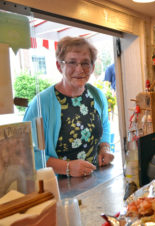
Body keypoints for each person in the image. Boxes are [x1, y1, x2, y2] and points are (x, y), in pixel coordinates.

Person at [24, 36, 114, 177]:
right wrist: (67, 168)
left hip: (95, 179)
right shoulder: (41, 104)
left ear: (92, 67)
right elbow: (28, 154)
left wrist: (105, 148)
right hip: (59, 186)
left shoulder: (97, 96)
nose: (79, 69)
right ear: (60, 66)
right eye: (72, 62)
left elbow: (105, 125)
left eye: (85, 63)